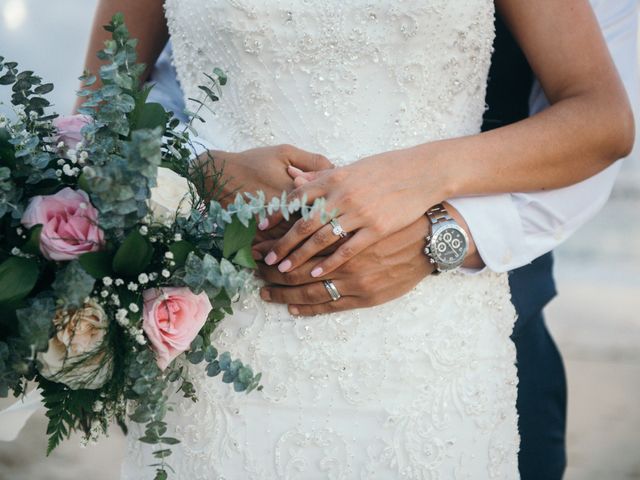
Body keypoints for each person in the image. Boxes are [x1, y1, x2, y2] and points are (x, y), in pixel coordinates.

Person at [78, 1, 634, 478]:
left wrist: (426, 176)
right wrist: (201, 173)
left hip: (428, 352)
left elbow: (601, 118)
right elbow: (94, 129)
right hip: (217, 346)